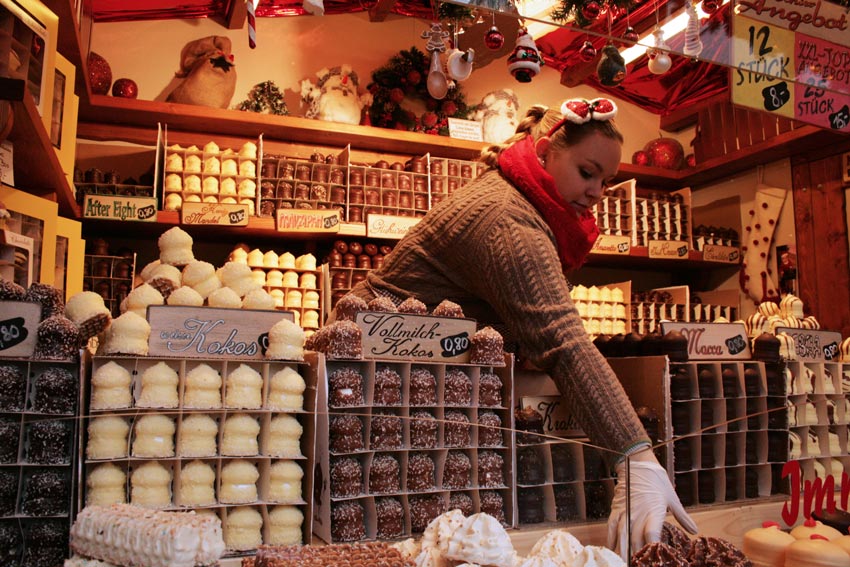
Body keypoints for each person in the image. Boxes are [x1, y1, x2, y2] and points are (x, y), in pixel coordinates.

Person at [332, 98, 697, 558]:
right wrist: (635, 456)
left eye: (606, 180)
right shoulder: (509, 220)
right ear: (544, 152)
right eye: (587, 173)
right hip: (371, 384)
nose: (597, 191)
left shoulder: (519, 200)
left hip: (414, 381)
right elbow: (562, 340)